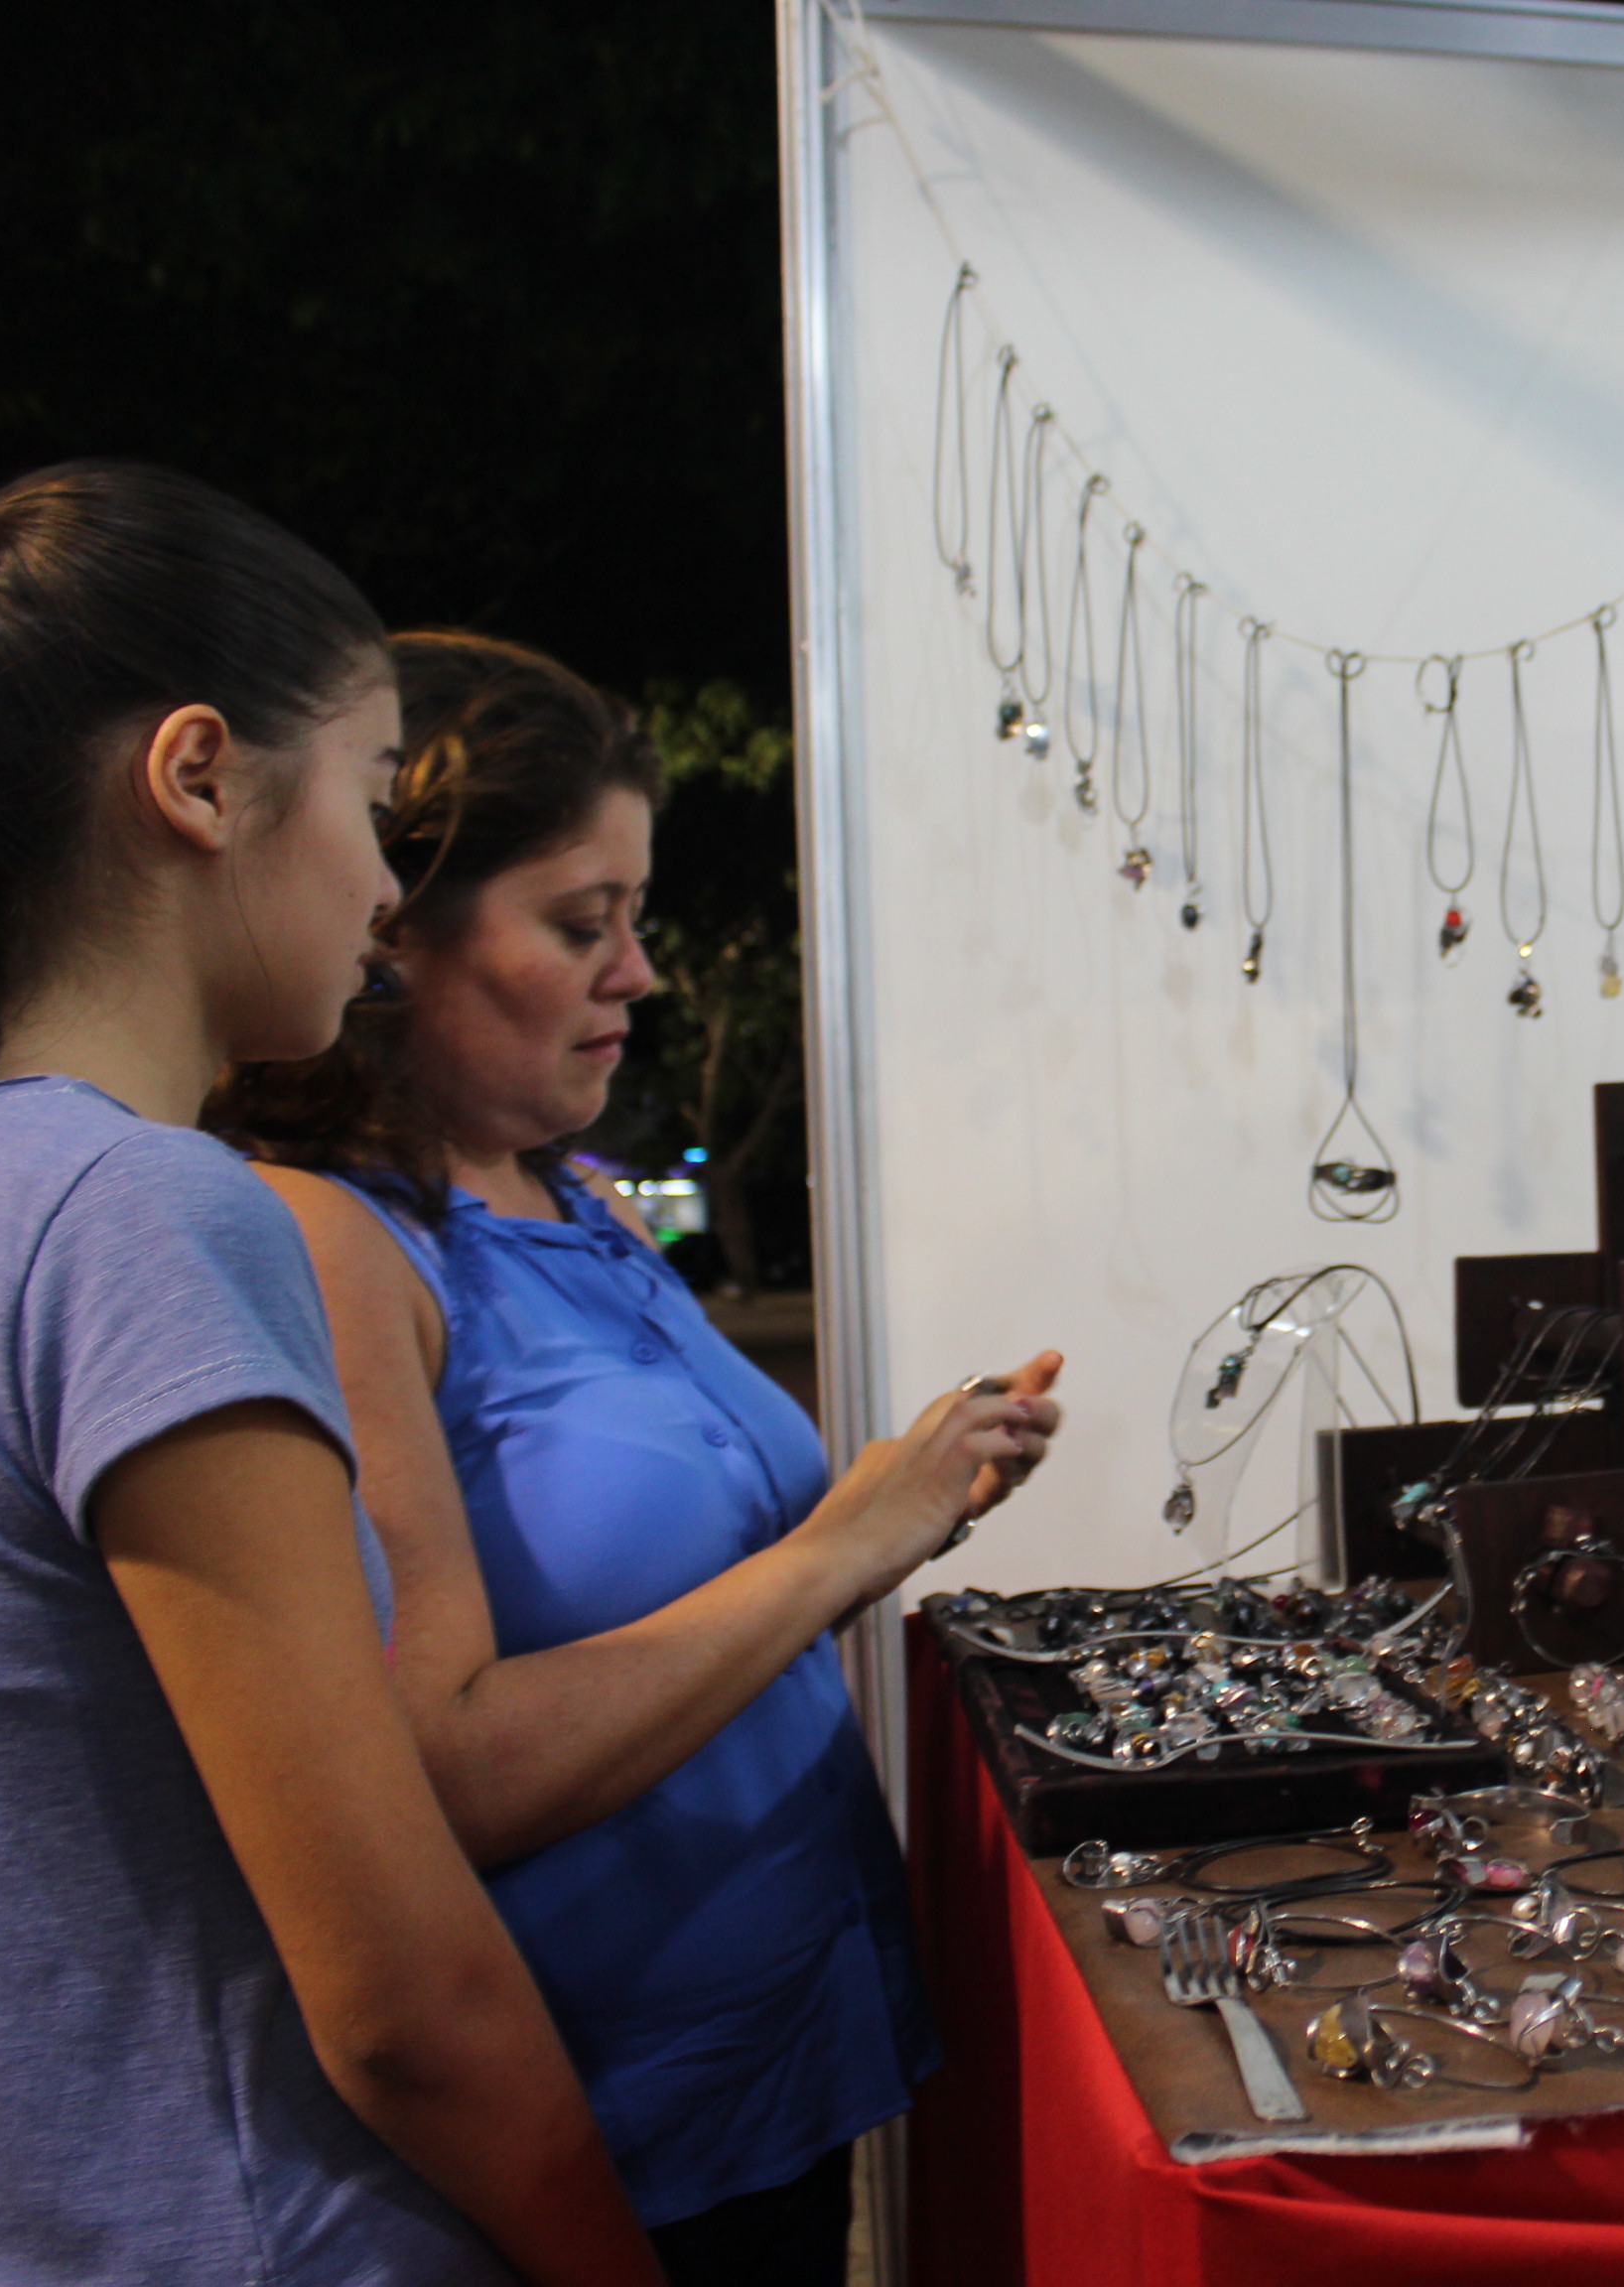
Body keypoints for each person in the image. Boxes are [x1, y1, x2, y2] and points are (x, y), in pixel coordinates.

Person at [0, 467, 664, 2283]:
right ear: (200, 777)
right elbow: (406, 2002)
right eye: (372, 797)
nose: (384, 886)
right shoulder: (138, 1214)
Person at [210, 629, 1060, 2287]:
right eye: (581, 924)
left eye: (636, 919)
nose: (641, 975)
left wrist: (907, 1493)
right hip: (592, 2159)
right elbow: (439, 1774)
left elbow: (692, 1581)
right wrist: (844, 1545)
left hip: (774, 2084)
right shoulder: (325, 1241)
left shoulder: (573, 1196)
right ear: (390, 933)